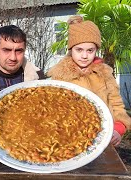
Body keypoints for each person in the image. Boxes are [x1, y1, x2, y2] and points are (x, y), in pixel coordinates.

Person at [47, 15, 131, 146]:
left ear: (96, 49)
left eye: (90, 50)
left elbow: (116, 104)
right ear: (70, 49)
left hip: (103, 139)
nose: (85, 56)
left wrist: (118, 128)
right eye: (79, 50)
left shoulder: (105, 74)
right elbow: (52, 111)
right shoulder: (60, 76)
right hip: (70, 141)